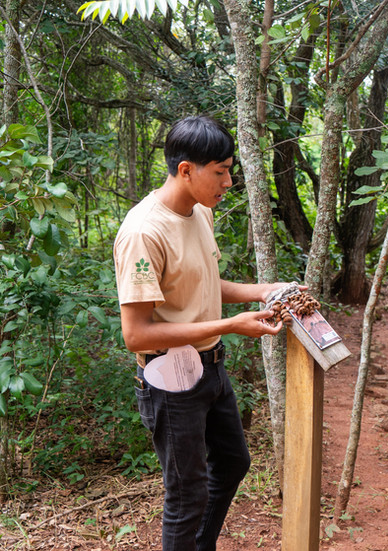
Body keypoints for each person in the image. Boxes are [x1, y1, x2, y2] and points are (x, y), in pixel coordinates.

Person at [113, 115, 290, 551]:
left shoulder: (199, 212)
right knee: (186, 494)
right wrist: (232, 326)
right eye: (221, 170)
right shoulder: (143, 232)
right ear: (186, 169)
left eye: (230, 169)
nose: (229, 181)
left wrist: (263, 291)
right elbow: (137, 335)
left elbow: (206, 283)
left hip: (210, 366)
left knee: (232, 462)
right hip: (169, 379)